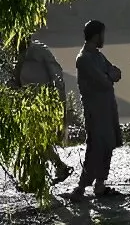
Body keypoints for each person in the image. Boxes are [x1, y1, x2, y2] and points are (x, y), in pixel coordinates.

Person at [70, 20, 123, 202]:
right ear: (96, 35)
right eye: (102, 34)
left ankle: (100, 185)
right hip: (95, 110)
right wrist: (110, 76)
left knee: (107, 145)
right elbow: (105, 80)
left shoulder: (98, 56)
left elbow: (116, 72)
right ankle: (81, 187)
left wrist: (110, 75)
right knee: (96, 146)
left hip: (107, 107)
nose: (104, 39)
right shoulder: (84, 58)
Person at [13, 35, 74, 184]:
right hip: (28, 105)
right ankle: (39, 177)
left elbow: (56, 74)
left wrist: (59, 101)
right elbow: (16, 81)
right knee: (33, 142)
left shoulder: (39, 51)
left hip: (44, 104)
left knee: (36, 141)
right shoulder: (20, 56)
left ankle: (40, 177)